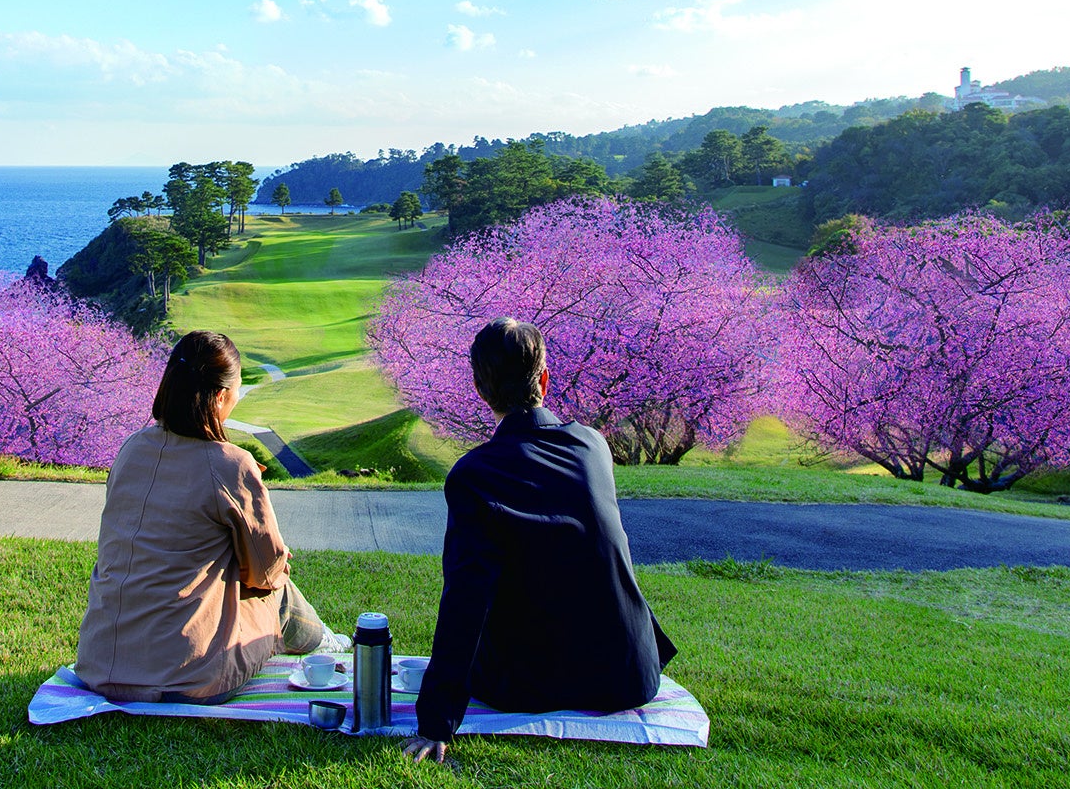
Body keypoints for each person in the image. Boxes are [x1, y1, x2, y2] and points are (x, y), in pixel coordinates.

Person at [403, 317, 676, 762]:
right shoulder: (593, 446)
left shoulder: (475, 475)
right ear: (545, 379)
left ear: (479, 390)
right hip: (628, 675)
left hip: (527, 686)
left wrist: (436, 720)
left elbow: (467, 599)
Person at [75, 329, 341, 703]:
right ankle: (327, 645)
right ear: (219, 397)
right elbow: (265, 573)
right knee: (280, 589)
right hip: (185, 675)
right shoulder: (229, 465)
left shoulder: (131, 448)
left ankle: (326, 640)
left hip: (101, 663)